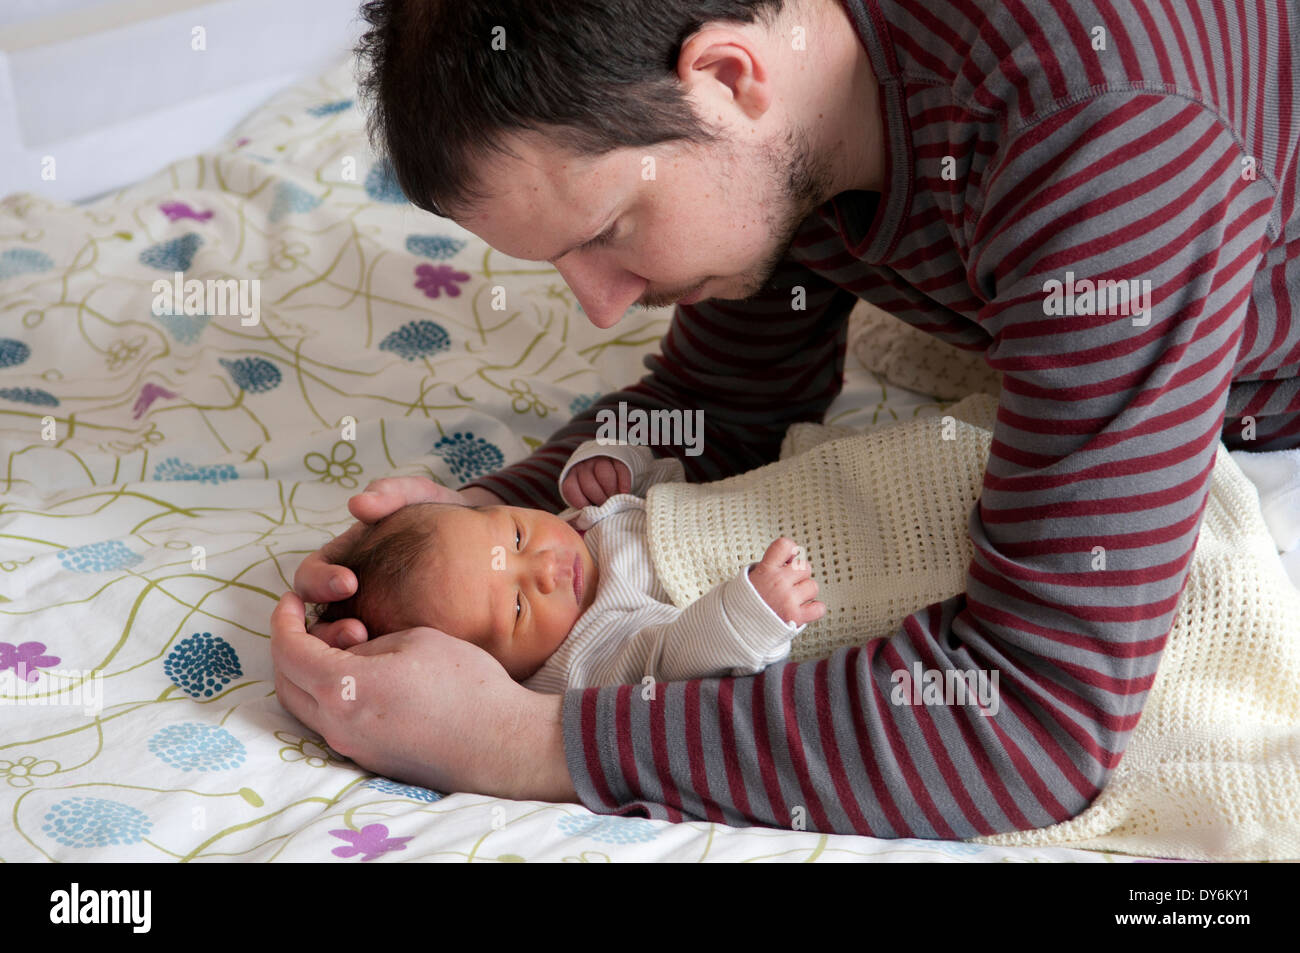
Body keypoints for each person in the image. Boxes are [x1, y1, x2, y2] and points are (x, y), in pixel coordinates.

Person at [272, 0, 1300, 836]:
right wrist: (467, 520)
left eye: (608, 231)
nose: (600, 302)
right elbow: (719, 404)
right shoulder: (789, 112)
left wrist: (520, 740)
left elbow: (1028, 717)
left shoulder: (1105, 143)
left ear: (727, 77)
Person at [311, 441, 822, 690]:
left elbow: (673, 484)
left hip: (779, 497)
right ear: (501, 673)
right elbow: (673, 658)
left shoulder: (574, 530)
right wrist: (754, 611)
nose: (544, 568)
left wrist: (617, 465)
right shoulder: (586, 657)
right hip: (794, 586)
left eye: (514, 535)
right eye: (515, 607)